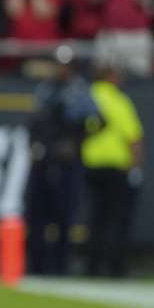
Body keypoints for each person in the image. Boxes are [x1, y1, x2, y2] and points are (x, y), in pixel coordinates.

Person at [24, 47, 98, 276]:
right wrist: (35, 144)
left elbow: (98, 121)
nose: (62, 69)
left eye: (66, 65)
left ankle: (60, 266)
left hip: (67, 161)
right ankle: (37, 266)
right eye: (59, 64)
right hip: (45, 158)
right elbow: (35, 121)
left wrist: (76, 143)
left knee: (64, 216)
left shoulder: (80, 91)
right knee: (37, 215)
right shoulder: (46, 89)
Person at [82, 63, 144, 278]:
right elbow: (134, 138)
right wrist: (136, 169)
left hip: (91, 166)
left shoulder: (86, 97)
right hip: (117, 169)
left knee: (95, 219)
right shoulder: (119, 100)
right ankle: (116, 268)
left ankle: (92, 267)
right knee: (117, 221)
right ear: (110, 76)